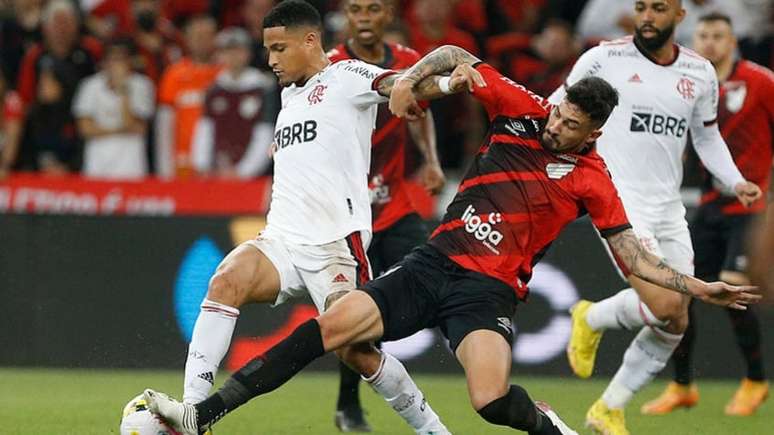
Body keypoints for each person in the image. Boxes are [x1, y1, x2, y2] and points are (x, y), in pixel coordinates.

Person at [142, 43, 761, 435]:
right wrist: (414, 76)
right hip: (432, 262)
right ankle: (205, 416)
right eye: (558, 112)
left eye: (571, 124)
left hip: (487, 293)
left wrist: (697, 286)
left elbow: (633, 256)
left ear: (594, 129)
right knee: (333, 329)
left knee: (490, 400)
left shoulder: (595, 181)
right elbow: (452, 52)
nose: (556, 124)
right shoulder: (522, 108)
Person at [174, 2, 452, 434]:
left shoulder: (346, 76)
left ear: (310, 41)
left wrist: (448, 82)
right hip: (282, 240)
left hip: (335, 247)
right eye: (268, 50)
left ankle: (432, 429)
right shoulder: (288, 95)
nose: (271, 60)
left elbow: (399, 83)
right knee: (225, 279)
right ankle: (189, 415)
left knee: (357, 353)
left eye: (279, 49)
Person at [548, 1, 763, 433]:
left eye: (658, 8)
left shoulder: (699, 72)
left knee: (676, 320)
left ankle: (607, 407)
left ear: (679, 15)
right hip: (619, 203)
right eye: (641, 7)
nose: (647, 16)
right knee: (666, 302)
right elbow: (554, 109)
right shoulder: (603, 58)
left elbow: (707, 137)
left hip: (669, 207)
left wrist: (734, 180)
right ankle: (591, 318)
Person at [641, 12, 773, 417]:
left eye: (719, 35)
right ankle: (682, 386)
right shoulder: (691, 84)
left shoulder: (762, 82)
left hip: (753, 207)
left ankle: (754, 380)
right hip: (709, 206)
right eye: (704, 36)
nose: (712, 42)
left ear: (733, 42)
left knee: (734, 288)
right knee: (681, 293)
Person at [327, 0, 445, 430]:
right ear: (346, 16)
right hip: (348, 216)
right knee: (352, 316)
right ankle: (347, 404)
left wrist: (430, 160)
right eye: (355, 9)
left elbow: (419, 113)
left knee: (436, 275)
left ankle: (471, 355)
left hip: (393, 206)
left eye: (372, 9)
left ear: (386, 17)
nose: (362, 17)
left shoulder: (409, 62)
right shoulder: (331, 66)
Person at [16, 0, 102, 174]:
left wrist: (65, 94)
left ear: (76, 26)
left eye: (67, 23)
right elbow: (24, 100)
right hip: (44, 131)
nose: (62, 30)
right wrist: (40, 100)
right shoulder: (35, 56)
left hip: (82, 130)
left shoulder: (90, 51)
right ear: (45, 28)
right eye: (57, 23)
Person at [192, 27, 276, 179]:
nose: (233, 57)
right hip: (217, 173)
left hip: (253, 176)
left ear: (248, 53)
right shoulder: (214, 89)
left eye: (238, 51)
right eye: (227, 51)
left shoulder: (262, 87)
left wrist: (243, 172)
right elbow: (205, 130)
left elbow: (265, 134)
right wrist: (202, 166)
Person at [73, 39, 155, 179]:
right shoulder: (89, 85)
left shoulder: (142, 85)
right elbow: (85, 128)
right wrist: (120, 130)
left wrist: (122, 89)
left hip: (130, 162)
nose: (116, 65)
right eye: (112, 59)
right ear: (104, 62)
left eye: (121, 59)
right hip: (97, 159)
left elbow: (137, 127)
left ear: (130, 61)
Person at [155, 15, 220, 178]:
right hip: (182, 162)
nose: (202, 41)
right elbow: (165, 123)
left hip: (217, 163)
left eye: (207, 36)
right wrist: (164, 167)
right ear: (187, 39)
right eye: (197, 36)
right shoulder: (174, 74)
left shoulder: (224, 73)